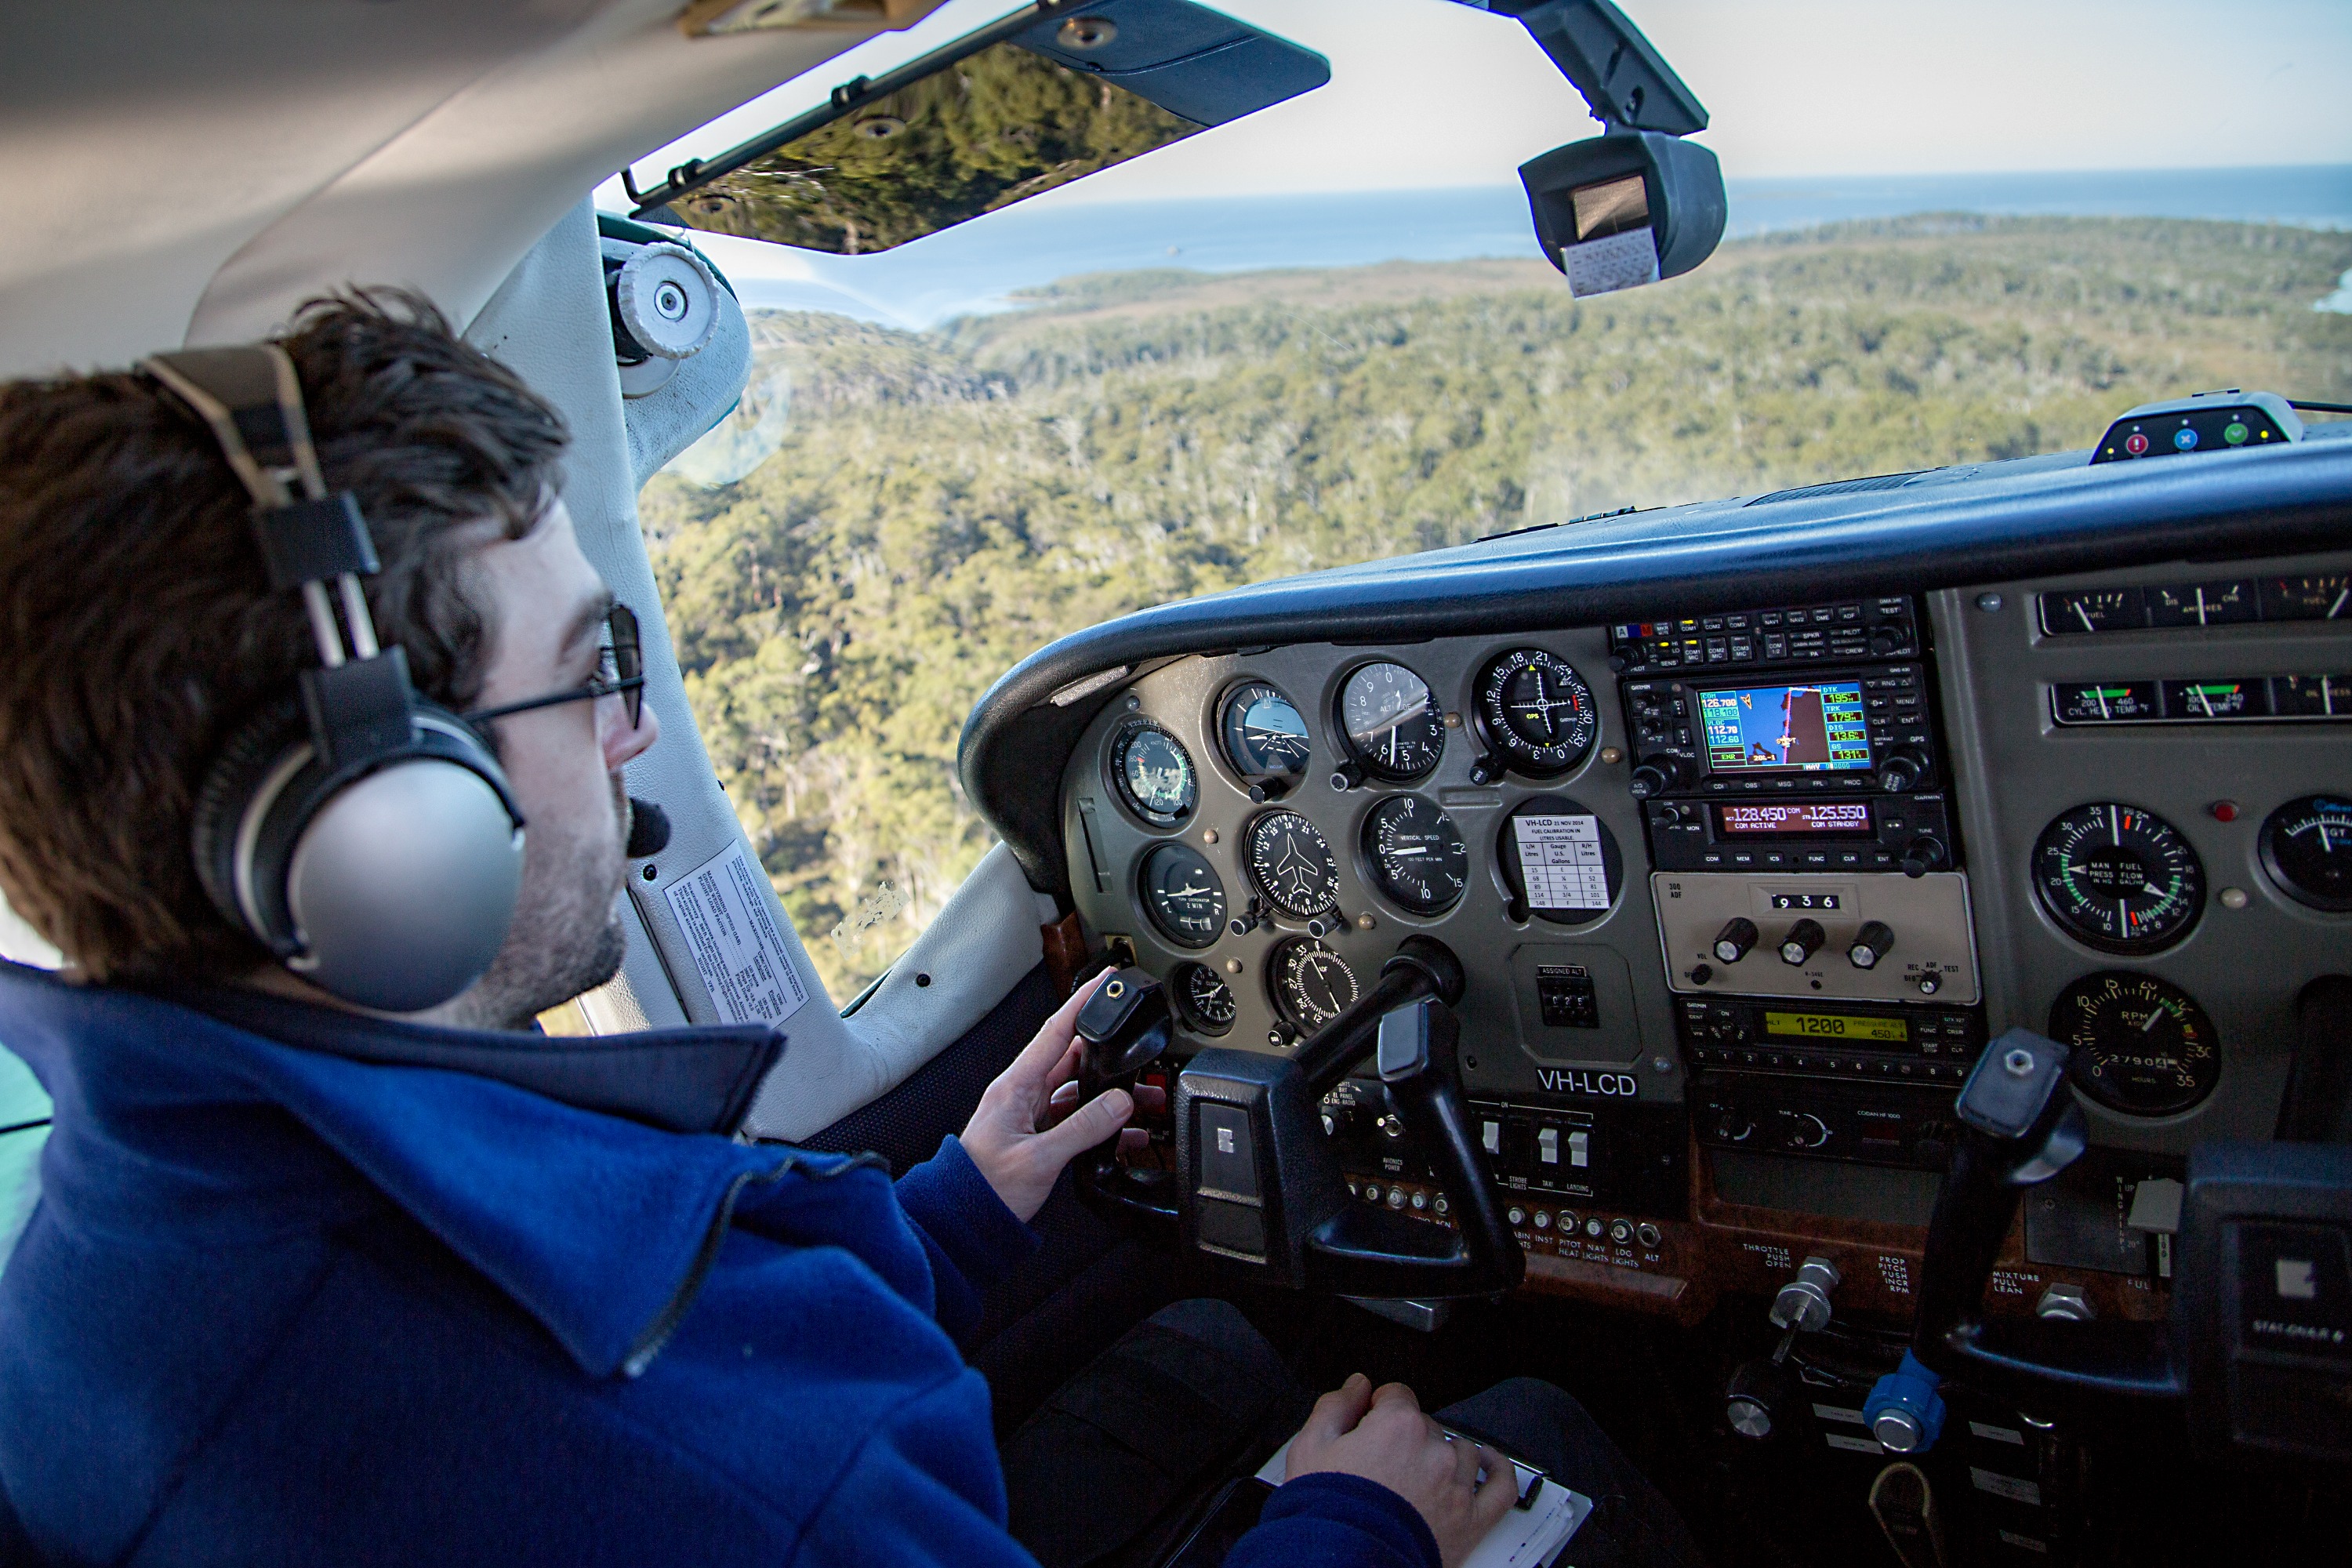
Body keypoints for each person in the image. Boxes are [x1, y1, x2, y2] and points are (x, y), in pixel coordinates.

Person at [0, 292, 1697, 1568]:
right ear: (386, 825)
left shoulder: (125, 1242)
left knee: (1213, 1341)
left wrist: (952, 1216)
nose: (634, 732)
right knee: (1545, 1430)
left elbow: (680, 1308)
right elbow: (706, 1443)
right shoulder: (706, 1479)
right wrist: (1356, 1529)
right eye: (589, 668)